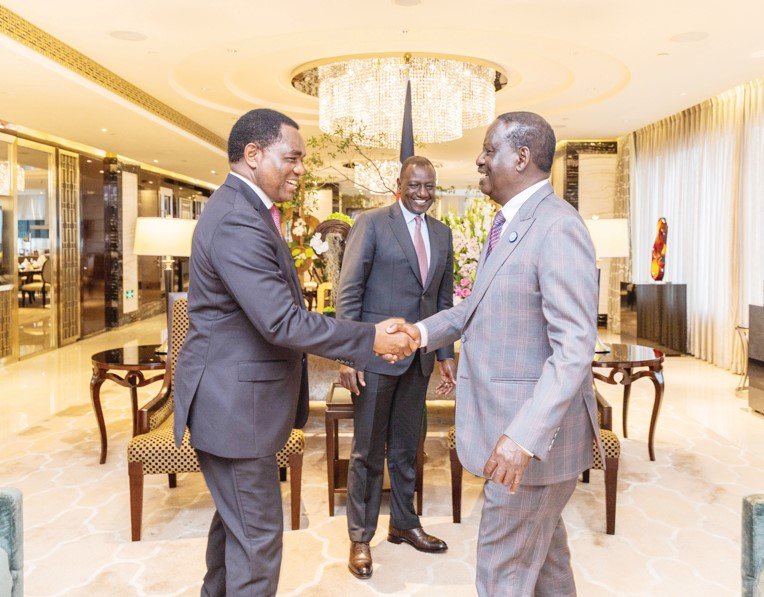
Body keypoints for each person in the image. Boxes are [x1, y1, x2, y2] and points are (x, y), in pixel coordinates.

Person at [172, 108, 419, 597]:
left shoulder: (244, 211)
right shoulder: (237, 220)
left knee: (236, 534)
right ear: (252, 154)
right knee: (258, 542)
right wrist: (369, 338)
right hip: (234, 411)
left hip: (237, 409)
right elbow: (281, 321)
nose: (301, 170)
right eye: (292, 158)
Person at [391, 112, 602, 596]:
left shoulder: (556, 227)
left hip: (526, 446)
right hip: (516, 441)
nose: (480, 159)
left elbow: (573, 349)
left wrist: (523, 437)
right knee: (546, 567)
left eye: (490, 149)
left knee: (501, 576)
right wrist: (417, 333)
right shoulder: (509, 223)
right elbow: (476, 306)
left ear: (521, 157)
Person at [337, 156, 457, 579]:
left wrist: (444, 357)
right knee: (367, 452)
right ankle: (360, 538)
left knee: (408, 448)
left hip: (419, 361)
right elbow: (348, 292)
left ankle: (404, 524)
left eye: (430, 187)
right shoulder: (371, 223)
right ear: (399, 185)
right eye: (415, 186)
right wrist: (349, 355)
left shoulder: (443, 234)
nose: (422, 194)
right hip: (374, 359)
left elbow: (443, 302)